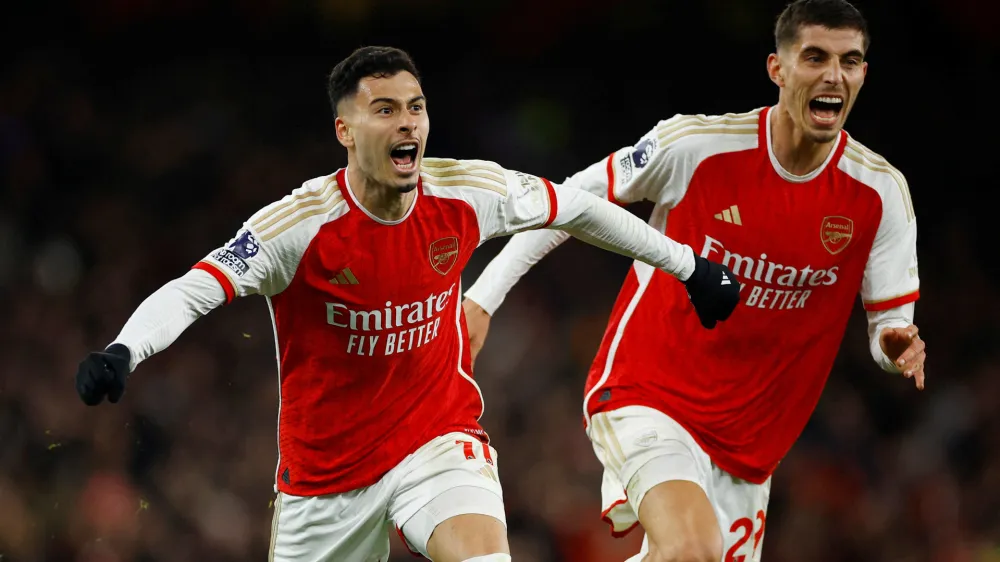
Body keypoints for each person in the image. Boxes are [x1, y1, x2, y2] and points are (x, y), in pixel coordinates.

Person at [73, 46, 739, 562]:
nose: (408, 122)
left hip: (436, 441)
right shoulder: (297, 228)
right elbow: (195, 288)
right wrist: (125, 350)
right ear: (345, 130)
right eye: (386, 109)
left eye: (415, 107)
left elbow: (577, 209)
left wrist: (688, 267)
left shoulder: (465, 192)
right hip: (324, 479)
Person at [462, 1, 926, 561]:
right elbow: (572, 200)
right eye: (815, 57)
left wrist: (893, 346)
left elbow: (889, 325)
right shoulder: (698, 147)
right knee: (691, 548)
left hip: (750, 450)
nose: (833, 74)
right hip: (649, 395)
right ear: (778, 69)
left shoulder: (880, 194)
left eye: (849, 61)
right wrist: (484, 297)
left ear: (863, 74)